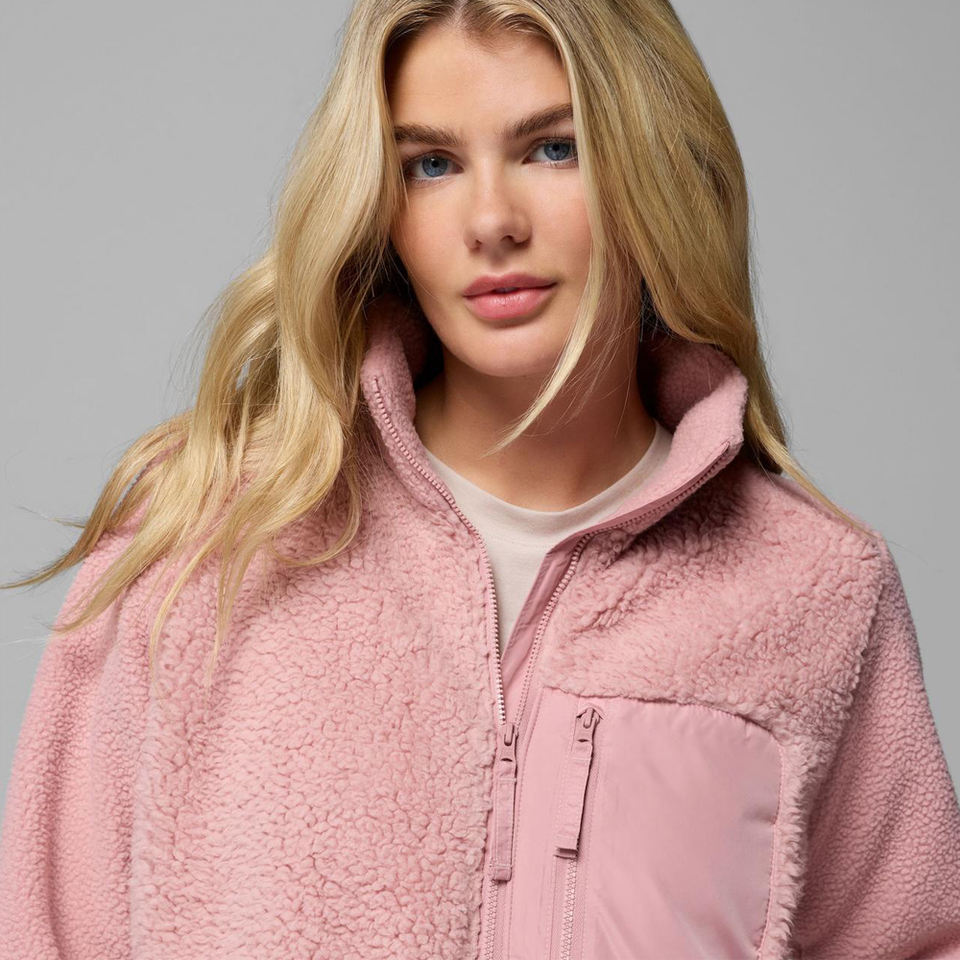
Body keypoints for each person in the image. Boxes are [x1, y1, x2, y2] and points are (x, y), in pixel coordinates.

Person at [2, 1, 959, 957]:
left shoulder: (814, 589)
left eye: (554, 149)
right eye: (432, 164)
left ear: (655, 167)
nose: (492, 221)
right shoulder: (206, 536)